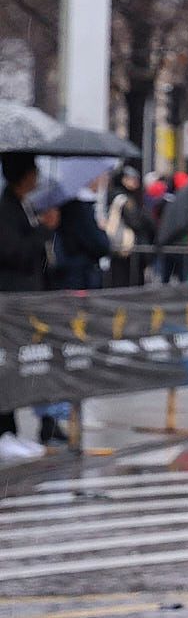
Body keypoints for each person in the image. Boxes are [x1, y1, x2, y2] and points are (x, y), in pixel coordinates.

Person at [0, 155, 57, 460]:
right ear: (23, 176)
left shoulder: (25, 206)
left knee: (20, 365)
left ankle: (12, 430)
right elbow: (13, 252)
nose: (38, 176)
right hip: (11, 300)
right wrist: (42, 231)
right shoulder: (6, 209)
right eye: (34, 170)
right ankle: (4, 430)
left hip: (28, 299)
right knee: (7, 365)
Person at [104, 167, 155, 287]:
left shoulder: (129, 196)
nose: (135, 182)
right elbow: (134, 220)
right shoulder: (123, 198)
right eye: (131, 178)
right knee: (125, 280)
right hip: (126, 246)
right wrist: (146, 220)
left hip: (126, 247)